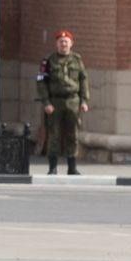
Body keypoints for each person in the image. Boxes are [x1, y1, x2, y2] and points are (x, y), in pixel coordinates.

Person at [38, 30, 89, 176]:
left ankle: (72, 167)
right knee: (54, 134)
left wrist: (84, 101)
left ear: (71, 43)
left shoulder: (77, 59)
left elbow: (83, 80)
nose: (63, 44)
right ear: (56, 44)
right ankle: (52, 168)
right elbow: (41, 82)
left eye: (66, 42)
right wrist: (46, 102)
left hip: (73, 101)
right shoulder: (48, 60)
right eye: (61, 41)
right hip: (55, 101)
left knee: (72, 134)